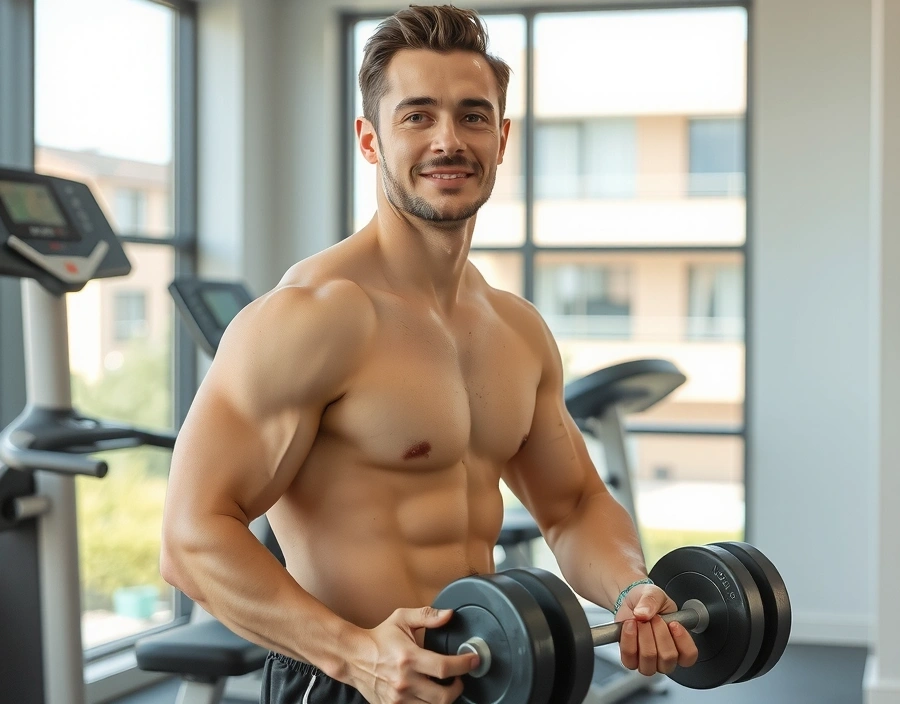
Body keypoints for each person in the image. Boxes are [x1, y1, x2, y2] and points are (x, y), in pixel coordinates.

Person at [159, 5, 698, 703]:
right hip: (349, 680)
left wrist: (633, 587)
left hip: (489, 667)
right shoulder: (314, 316)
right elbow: (190, 536)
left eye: (473, 116)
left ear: (501, 139)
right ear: (370, 139)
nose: (449, 140)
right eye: (417, 116)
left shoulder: (516, 329)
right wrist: (356, 656)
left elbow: (572, 506)